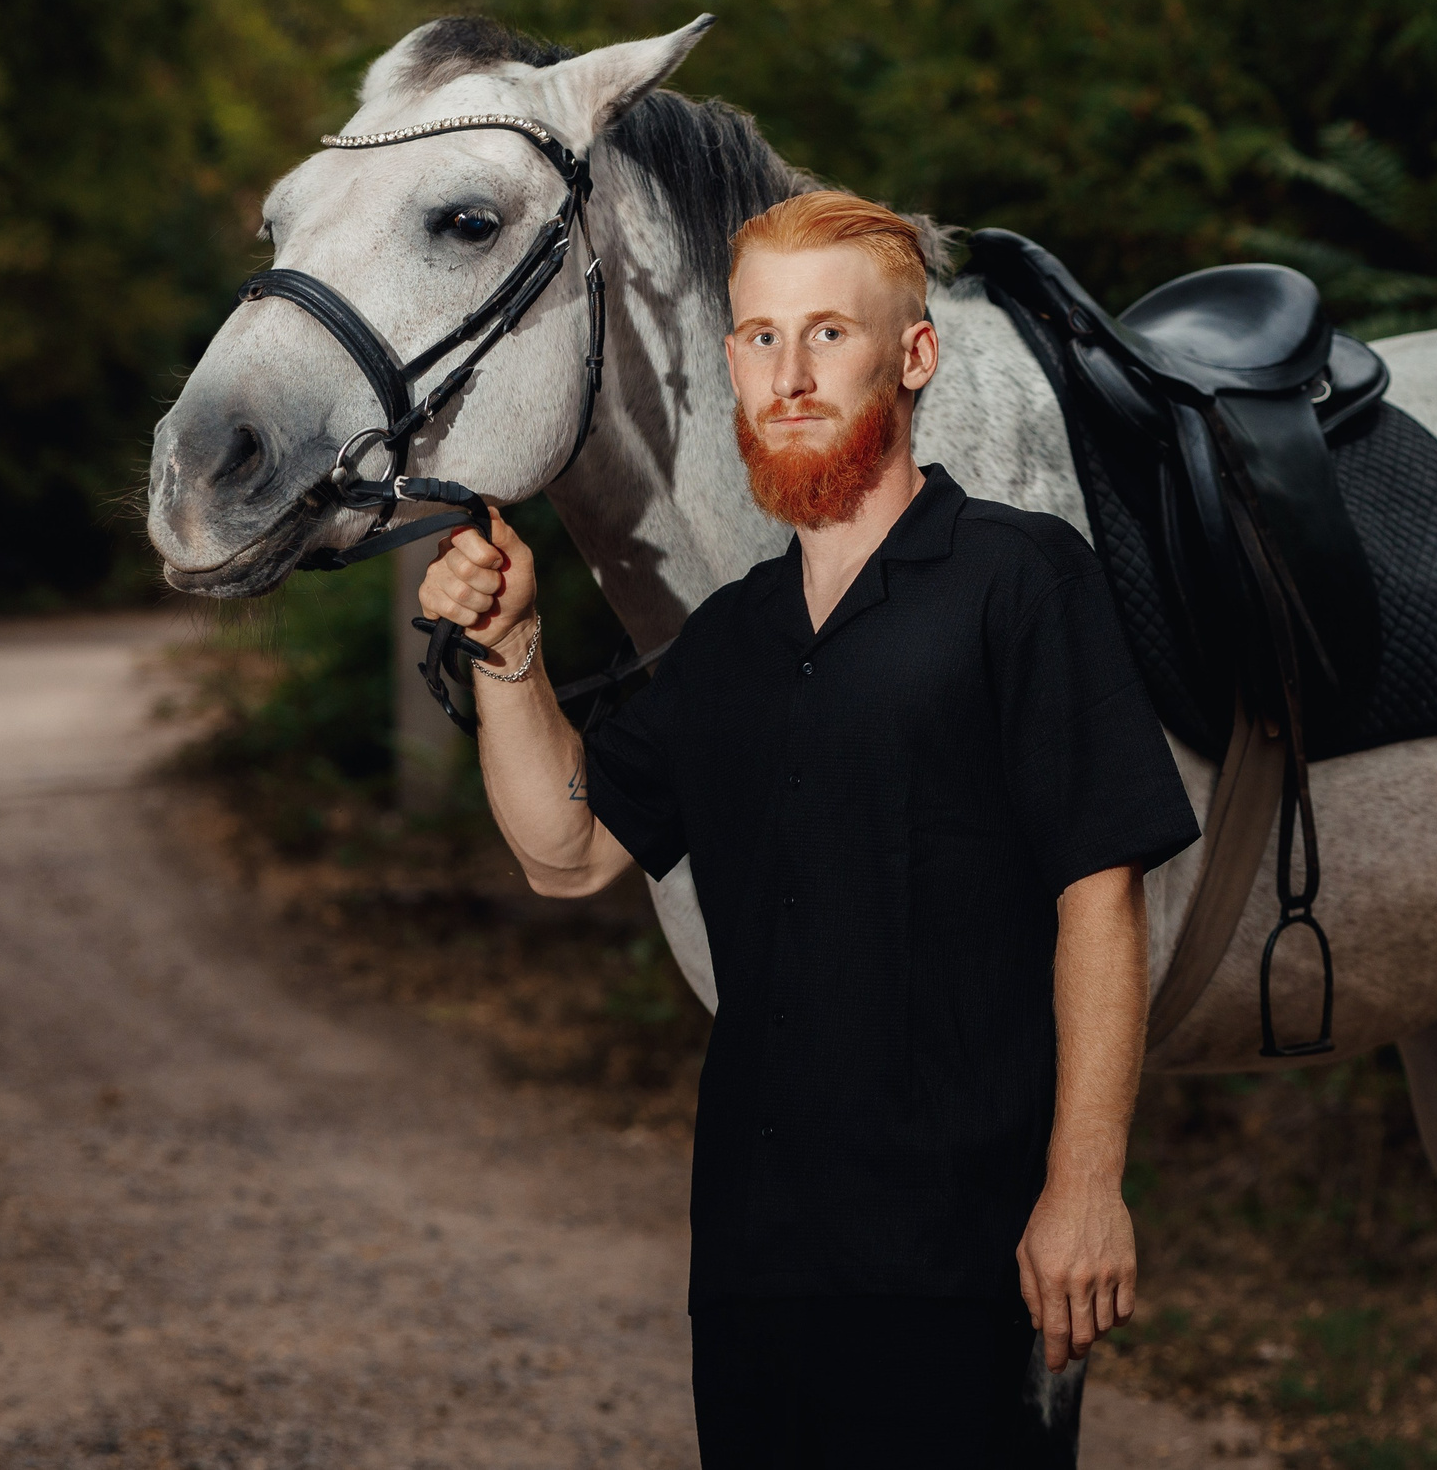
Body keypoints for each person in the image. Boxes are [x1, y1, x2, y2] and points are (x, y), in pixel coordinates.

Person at [418, 189, 1199, 1466]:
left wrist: (1085, 1186)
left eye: (829, 334)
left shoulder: (1019, 579)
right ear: (729, 360)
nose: (788, 372)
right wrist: (509, 654)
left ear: (914, 354)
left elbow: (1098, 899)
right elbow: (566, 851)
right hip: (751, 1255)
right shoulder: (726, 639)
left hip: (961, 1250)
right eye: (761, 337)